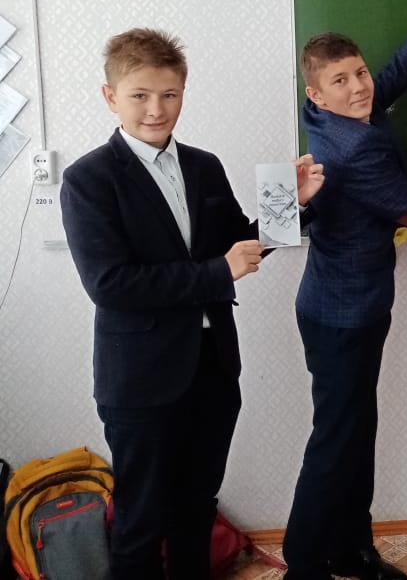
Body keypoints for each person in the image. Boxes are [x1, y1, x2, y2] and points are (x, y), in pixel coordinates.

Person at [60, 28, 325, 579]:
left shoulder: (204, 166)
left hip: (212, 366)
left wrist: (290, 207)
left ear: (183, 93)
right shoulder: (88, 179)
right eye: (140, 95)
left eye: (170, 95)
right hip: (140, 379)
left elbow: (237, 246)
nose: (156, 109)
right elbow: (111, 284)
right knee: (140, 519)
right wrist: (216, 271)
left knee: (195, 508)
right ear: (110, 97)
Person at [283, 0, 407, 580]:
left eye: (359, 73)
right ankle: (303, 566)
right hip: (342, 314)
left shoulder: (338, 115)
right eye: (340, 81)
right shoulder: (354, 147)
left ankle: (351, 550)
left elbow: (392, 77)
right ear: (317, 94)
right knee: (336, 438)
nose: (359, 86)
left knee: (354, 430)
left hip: (347, 304)